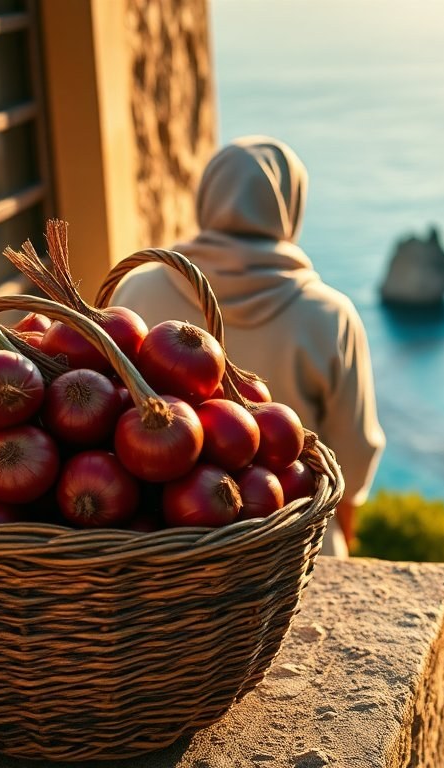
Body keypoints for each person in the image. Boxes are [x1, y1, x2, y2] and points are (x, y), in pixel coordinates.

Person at [112, 137, 386, 554]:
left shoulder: (137, 288)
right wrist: (344, 538)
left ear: (206, 198)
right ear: (291, 207)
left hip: (158, 550)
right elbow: (354, 454)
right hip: (290, 551)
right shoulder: (331, 315)